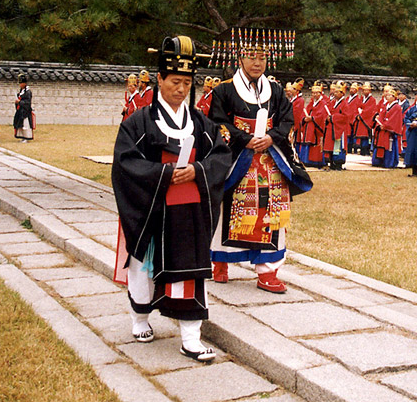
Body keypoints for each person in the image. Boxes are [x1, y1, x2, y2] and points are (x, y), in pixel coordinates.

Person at [112, 35, 231, 360]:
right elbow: (125, 164)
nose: (181, 89)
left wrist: (197, 171)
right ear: (159, 79)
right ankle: (140, 317)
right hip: (152, 207)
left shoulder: (201, 123)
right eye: (174, 81)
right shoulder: (138, 123)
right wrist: (163, 175)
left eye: (186, 82)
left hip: (189, 208)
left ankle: (190, 337)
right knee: (143, 267)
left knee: (189, 270)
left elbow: (220, 157)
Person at [208, 27, 312, 294]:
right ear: (240, 58)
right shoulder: (224, 90)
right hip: (237, 157)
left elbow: (287, 120)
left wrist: (271, 137)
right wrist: (243, 139)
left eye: (262, 57)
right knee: (228, 210)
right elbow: (217, 122)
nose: (257, 63)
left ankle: (268, 271)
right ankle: (220, 260)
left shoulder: (276, 90)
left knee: (272, 213)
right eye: (251, 56)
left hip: (269, 157)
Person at [371, 85, 402, 168]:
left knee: (389, 146)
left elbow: (394, 119)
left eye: (389, 95)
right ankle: (378, 161)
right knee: (379, 144)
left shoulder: (397, 107)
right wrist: (379, 122)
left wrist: (385, 125)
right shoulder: (386, 105)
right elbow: (381, 115)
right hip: (382, 129)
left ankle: (389, 162)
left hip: (389, 131)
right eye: (387, 95)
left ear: (394, 97)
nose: (387, 96)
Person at [300, 81, 329, 168]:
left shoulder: (323, 103)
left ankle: (316, 161)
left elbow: (322, 115)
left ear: (320, 93)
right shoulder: (312, 103)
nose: (314, 95)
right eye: (313, 93)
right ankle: (305, 160)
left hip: (316, 128)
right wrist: (304, 118)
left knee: (316, 144)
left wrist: (312, 118)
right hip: (309, 127)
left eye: (316, 93)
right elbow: (306, 111)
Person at [323, 81, 349, 170]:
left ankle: (338, 163)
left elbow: (345, 116)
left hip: (339, 129)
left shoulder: (345, 104)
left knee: (338, 146)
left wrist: (333, 117)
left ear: (342, 93)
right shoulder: (333, 102)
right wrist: (328, 118)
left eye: (337, 92)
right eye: (335, 91)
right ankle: (331, 162)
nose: (335, 93)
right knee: (331, 145)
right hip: (332, 127)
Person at [353, 82, 377, 156]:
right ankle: (361, 149)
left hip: (366, 120)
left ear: (369, 91)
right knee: (360, 135)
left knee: (365, 136)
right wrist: (357, 115)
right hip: (361, 119)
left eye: (367, 90)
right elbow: (357, 106)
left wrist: (361, 115)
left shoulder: (372, 100)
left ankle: (366, 150)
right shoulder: (361, 98)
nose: (365, 92)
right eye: (364, 90)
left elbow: (370, 110)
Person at [13, 74, 35, 142]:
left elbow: (27, 102)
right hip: (20, 110)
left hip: (25, 111)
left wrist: (20, 102)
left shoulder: (28, 92)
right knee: (20, 124)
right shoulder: (21, 92)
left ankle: (26, 137)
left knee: (26, 125)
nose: (20, 84)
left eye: (21, 83)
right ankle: (22, 136)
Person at [345, 82, 361, 154]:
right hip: (347, 118)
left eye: (354, 89)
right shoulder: (347, 98)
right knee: (347, 134)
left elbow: (357, 109)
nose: (352, 90)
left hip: (353, 119)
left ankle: (353, 149)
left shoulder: (358, 99)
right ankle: (347, 149)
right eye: (351, 89)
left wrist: (354, 117)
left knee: (353, 134)